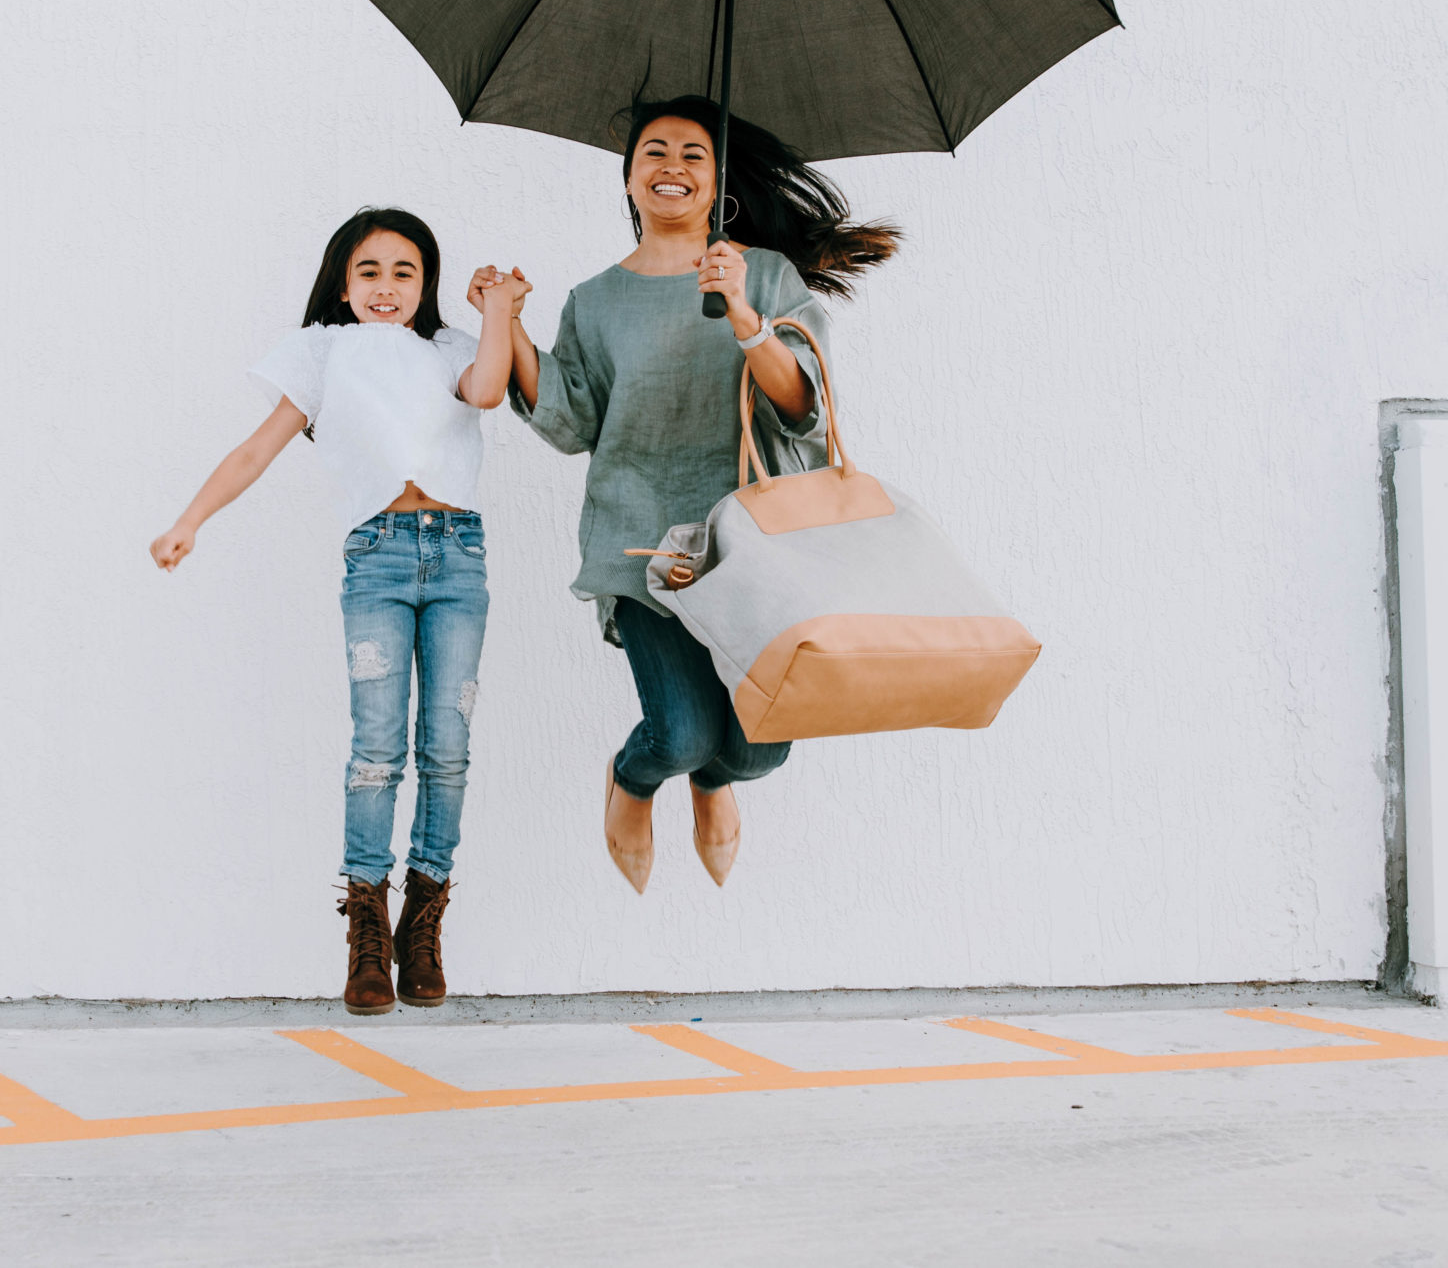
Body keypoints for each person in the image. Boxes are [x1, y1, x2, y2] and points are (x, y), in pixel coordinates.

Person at [477, 97, 898, 893]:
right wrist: (511, 326)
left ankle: (715, 782)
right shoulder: (595, 300)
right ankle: (632, 780)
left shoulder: (764, 274)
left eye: (694, 154)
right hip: (640, 542)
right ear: (631, 178)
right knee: (676, 732)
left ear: (718, 182)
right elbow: (571, 420)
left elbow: (804, 407)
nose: (673, 165)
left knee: (757, 748)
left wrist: (744, 311)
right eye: (656, 152)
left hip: (753, 546)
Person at [152, 208, 528, 1015]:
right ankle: (367, 924)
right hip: (378, 557)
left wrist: (498, 310)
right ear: (342, 280)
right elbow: (258, 446)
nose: (387, 287)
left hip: (458, 554)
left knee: (448, 744)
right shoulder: (324, 351)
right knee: (376, 748)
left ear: (426, 281)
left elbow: (491, 391)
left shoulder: (451, 348)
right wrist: (190, 520)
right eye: (369, 272)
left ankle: (424, 922)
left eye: (404, 272)